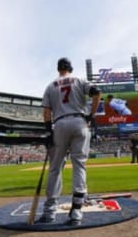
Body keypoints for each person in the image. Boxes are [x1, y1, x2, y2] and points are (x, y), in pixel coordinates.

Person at [38, 57, 101, 226]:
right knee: (79, 165)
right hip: (80, 122)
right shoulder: (80, 80)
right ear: (70, 68)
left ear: (58, 69)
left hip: (59, 124)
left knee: (55, 168)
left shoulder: (50, 85)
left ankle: (49, 212)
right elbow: (97, 93)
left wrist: (48, 132)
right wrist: (91, 115)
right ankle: (76, 212)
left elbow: (46, 112)